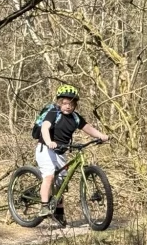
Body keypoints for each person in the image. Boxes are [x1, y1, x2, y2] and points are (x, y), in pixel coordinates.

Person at [36, 85, 109, 217]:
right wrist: (48, 142)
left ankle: (59, 213)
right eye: (65, 103)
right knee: (50, 176)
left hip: (61, 150)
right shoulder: (54, 113)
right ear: (60, 103)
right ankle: (44, 206)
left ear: (75, 105)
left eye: (71, 103)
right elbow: (45, 128)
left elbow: (88, 128)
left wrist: (101, 136)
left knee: (61, 182)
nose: (68, 106)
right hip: (45, 149)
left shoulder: (75, 118)